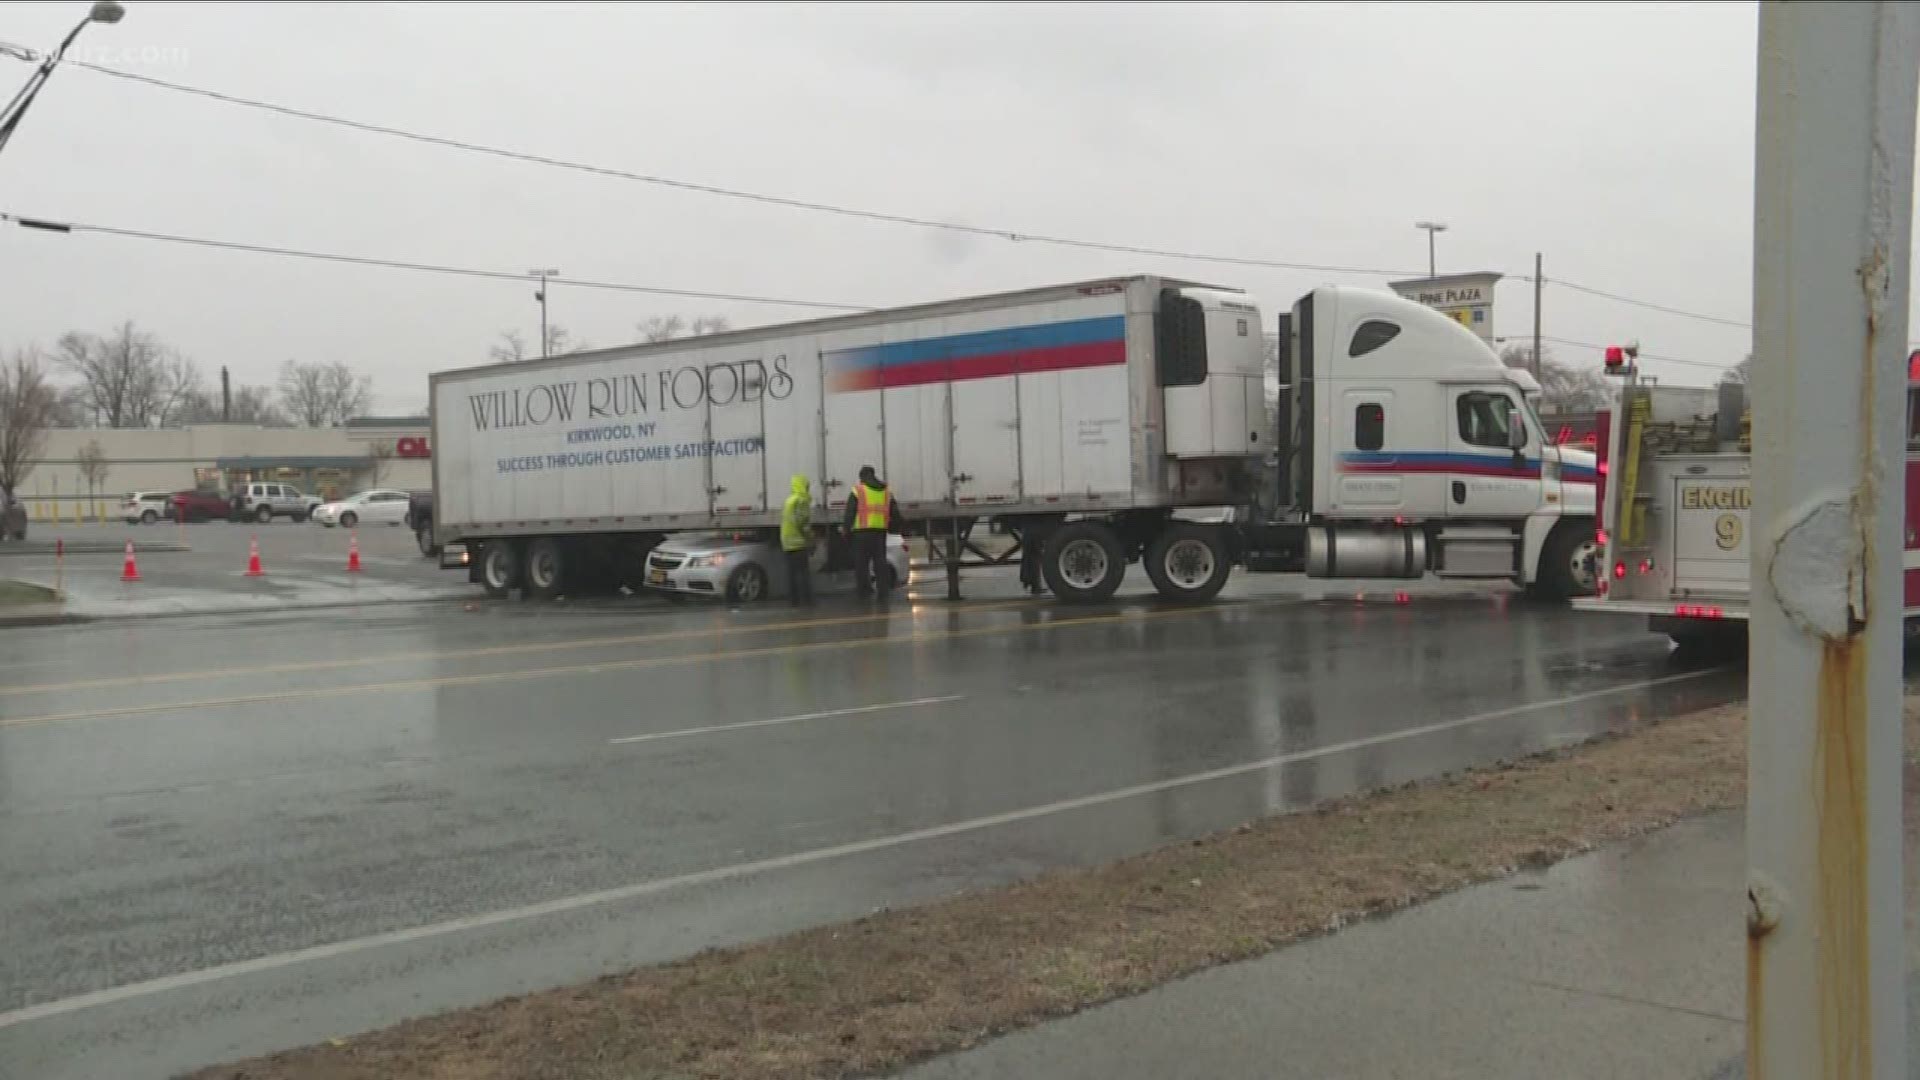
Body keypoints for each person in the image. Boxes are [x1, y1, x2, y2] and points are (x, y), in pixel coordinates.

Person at [842, 465, 902, 600]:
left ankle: (864, 592)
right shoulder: (886, 491)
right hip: (879, 532)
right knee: (880, 563)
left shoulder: (858, 491)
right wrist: (895, 528)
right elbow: (895, 514)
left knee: (862, 564)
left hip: (861, 533)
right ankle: (883, 592)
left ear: (862, 477)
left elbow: (850, 513)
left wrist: (846, 530)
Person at [780, 474, 814, 607]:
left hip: (787, 541)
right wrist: (810, 539)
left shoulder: (789, 500)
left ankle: (793, 600)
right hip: (798, 541)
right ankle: (806, 600)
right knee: (803, 573)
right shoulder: (801, 500)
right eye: (807, 485)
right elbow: (802, 522)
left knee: (792, 574)